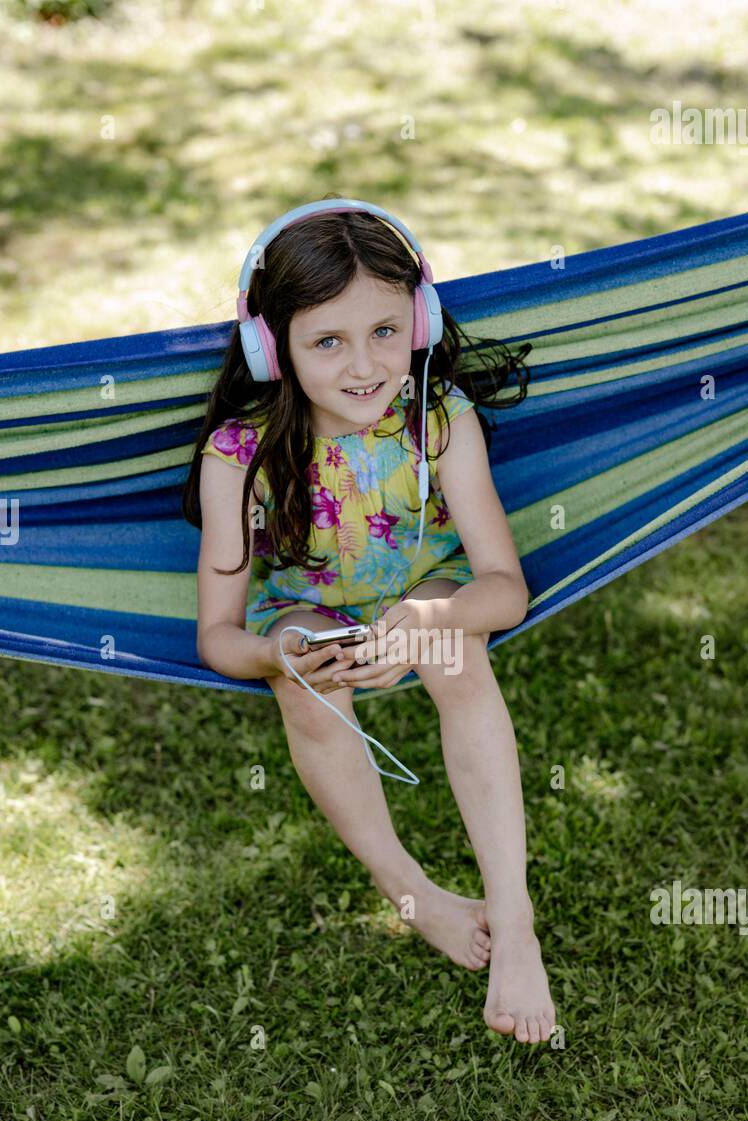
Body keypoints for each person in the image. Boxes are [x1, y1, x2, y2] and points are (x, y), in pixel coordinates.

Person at [182, 197, 556, 1044]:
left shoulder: (439, 419)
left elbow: (506, 590)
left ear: (420, 321)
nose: (365, 365)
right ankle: (409, 891)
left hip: (431, 588)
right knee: (307, 695)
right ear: (270, 348)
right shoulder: (238, 457)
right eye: (327, 341)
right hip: (308, 617)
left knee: (457, 656)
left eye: (387, 331)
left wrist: (433, 614)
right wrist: (281, 656)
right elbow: (219, 636)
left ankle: (513, 913)